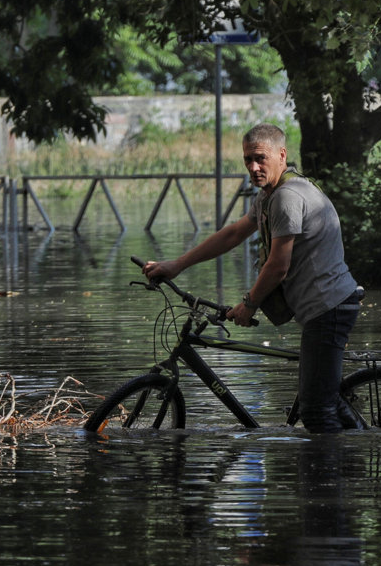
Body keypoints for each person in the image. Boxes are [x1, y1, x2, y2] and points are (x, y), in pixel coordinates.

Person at [142, 123, 362, 433]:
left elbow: (278, 265)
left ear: (281, 155)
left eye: (260, 158)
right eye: (247, 159)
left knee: (315, 412)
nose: (254, 167)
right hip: (322, 308)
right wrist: (177, 264)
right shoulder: (269, 196)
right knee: (323, 399)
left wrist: (248, 304)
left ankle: (337, 476)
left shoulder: (288, 197)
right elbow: (233, 234)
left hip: (329, 308)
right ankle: (355, 452)